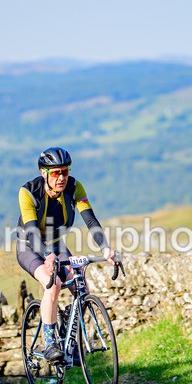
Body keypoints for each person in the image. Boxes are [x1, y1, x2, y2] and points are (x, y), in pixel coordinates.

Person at [16, 147, 115, 363]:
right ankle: (50, 343)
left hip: (56, 245)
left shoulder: (74, 187)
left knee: (81, 287)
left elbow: (90, 219)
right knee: (53, 285)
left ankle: (69, 336)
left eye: (65, 171)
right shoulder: (28, 192)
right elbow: (32, 232)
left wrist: (106, 248)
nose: (61, 177)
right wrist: (47, 255)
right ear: (43, 173)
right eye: (55, 173)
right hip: (29, 247)